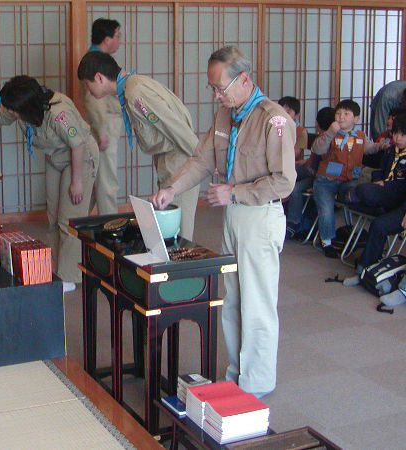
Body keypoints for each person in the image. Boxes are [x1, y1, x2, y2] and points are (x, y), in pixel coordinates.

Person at [149, 46, 296, 398]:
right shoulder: (225, 115)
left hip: (259, 216)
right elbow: (201, 160)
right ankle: (237, 372)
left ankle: (256, 382)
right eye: (212, 88)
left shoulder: (272, 119)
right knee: (231, 299)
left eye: (220, 88)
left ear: (243, 80)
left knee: (257, 303)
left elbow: (284, 182)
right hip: (233, 216)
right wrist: (172, 188)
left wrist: (234, 193)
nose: (216, 95)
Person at [0, 76, 98, 291]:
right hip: (56, 158)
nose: (10, 112)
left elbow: (77, 145)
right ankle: (52, 269)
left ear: (26, 106)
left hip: (80, 158)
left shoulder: (58, 113)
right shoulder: (20, 108)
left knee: (68, 220)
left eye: (12, 109)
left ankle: (69, 276)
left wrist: (76, 182)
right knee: (53, 217)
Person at [77, 51, 200, 240]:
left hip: (180, 163)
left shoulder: (136, 93)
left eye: (87, 84)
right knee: (170, 231)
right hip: (171, 161)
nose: (88, 90)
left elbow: (177, 128)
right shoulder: (133, 86)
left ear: (99, 78)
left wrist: (202, 160)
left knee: (179, 233)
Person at [311, 99, 388, 258]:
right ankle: (327, 242)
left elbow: (369, 148)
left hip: (349, 179)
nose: (341, 117)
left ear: (356, 119)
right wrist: (330, 132)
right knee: (326, 210)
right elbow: (317, 149)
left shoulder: (360, 135)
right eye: (338, 113)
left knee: (357, 193)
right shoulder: (330, 133)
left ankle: (357, 232)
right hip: (326, 180)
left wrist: (381, 146)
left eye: (346, 114)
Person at [343, 113, 406, 287]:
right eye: (395, 133)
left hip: (400, 199)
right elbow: (380, 171)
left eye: (402, 135)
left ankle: (401, 288)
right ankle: (364, 271)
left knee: (364, 192)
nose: (397, 138)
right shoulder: (391, 151)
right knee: (378, 224)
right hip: (388, 196)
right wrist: (380, 181)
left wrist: (386, 184)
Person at [83, 18, 123, 215]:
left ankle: (75, 221)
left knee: (96, 178)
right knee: (107, 181)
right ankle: (109, 223)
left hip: (105, 123)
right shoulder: (95, 61)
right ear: (107, 39)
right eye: (117, 36)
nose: (119, 40)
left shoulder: (97, 58)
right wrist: (102, 131)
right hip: (104, 123)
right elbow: (93, 99)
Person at [285, 106, 335, 239]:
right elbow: (315, 160)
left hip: (317, 176)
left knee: (295, 188)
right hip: (311, 169)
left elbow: (320, 165)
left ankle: (293, 222)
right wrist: (305, 162)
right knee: (285, 173)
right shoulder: (323, 137)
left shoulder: (329, 140)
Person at [278, 96, 308, 162]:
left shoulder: (300, 131)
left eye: (287, 112)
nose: (283, 115)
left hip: (292, 164)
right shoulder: (275, 126)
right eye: (280, 111)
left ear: (296, 115)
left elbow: (294, 154)